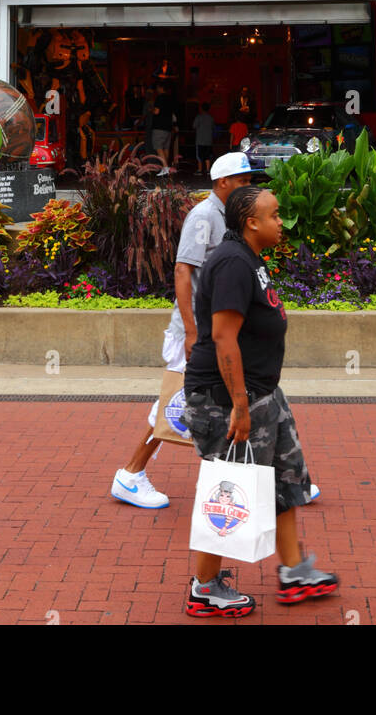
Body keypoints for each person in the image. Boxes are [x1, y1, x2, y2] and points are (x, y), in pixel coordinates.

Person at [182, 185, 337, 617]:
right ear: (251, 222)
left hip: (263, 392)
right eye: (274, 215)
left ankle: (293, 572)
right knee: (226, 494)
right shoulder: (232, 262)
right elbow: (223, 337)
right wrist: (240, 407)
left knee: (286, 480)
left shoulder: (249, 259)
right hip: (226, 399)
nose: (281, 221)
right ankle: (205, 588)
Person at [110, 153, 254, 509]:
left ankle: (279, 474)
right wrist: (191, 333)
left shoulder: (230, 218)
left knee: (235, 397)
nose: (249, 187)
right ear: (223, 183)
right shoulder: (204, 216)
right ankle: (130, 474)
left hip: (214, 330)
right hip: (195, 333)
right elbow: (182, 271)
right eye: (243, 181)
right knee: (173, 405)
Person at [151, 83, 179, 175]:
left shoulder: (159, 98)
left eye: (157, 87)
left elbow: (156, 111)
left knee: (158, 147)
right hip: (168, 127)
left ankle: (165, 168)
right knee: (166, 148)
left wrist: (150, 110)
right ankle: (165, 168)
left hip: (159, 126)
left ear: (161, 87)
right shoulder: (171, 99)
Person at [193, 101, 215, 175]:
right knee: (207, 156)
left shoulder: (198, 117)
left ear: (201, 109)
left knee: (199, 156)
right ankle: (208, 170)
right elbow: (213, 127)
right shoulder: (211, 118)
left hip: (200, 140)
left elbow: (194, 126)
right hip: (208, 140)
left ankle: (199, 170)